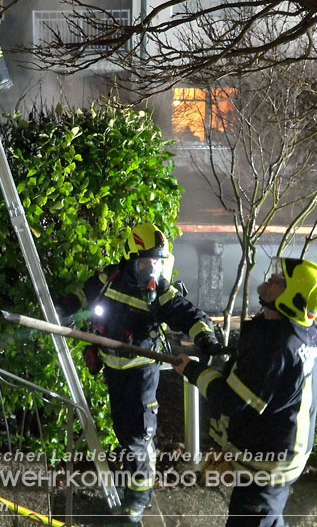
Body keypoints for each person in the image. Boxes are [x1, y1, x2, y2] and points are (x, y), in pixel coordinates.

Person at [56, 223, 221, 523]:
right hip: (113, 369)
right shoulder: (109, 279)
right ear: (130, 260)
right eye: (145, 264)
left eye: (156, 263)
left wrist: (205, 337)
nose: (151, 270)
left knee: (140, 437)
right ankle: (134, 485)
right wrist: (64, 307)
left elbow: (189, 314)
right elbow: (83, 295)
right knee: (124, 432)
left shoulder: (159, 292)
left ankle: (139, 499)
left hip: (141, 373)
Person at [174, 257, 317, 527]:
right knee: (268, 516)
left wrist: (192, 371)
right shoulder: (309, 334)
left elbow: (231, 400)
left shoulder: (275, 347)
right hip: (284, 455)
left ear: (293, 299)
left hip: (267, 465)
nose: (272, 278)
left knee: (253, 519)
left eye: (280, 281)